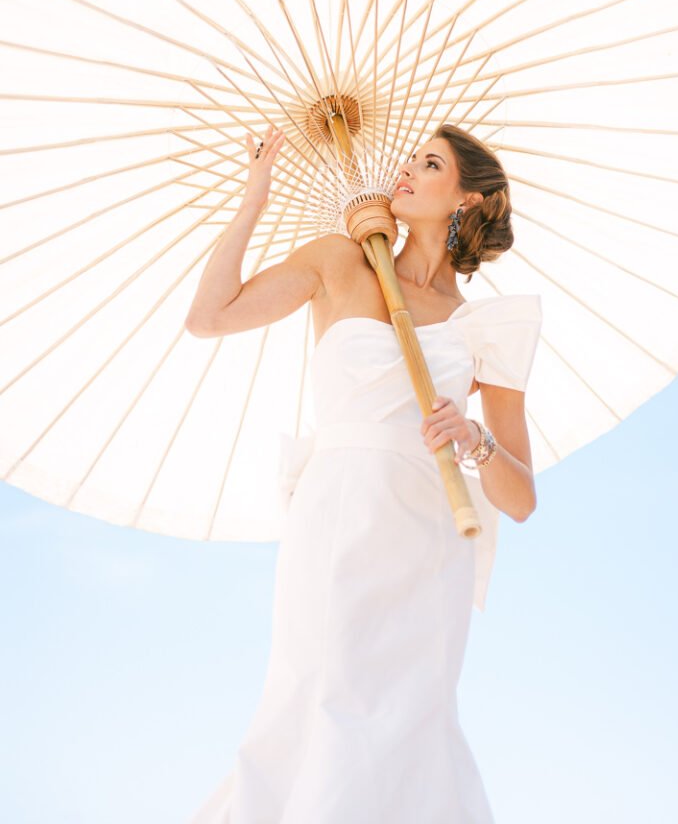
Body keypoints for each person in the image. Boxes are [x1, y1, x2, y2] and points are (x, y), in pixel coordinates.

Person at [183, 123, 543, 823]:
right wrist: (253, 198)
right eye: (410, 159)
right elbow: (207, 317)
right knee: (319, 695)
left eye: (428, 164)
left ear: (465, 198)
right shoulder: (337, 262)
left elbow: (521, 498)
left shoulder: (485, 328)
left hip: (428, 542)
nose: (406, 171)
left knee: (408, 721)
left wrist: (472, 438)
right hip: (337, 515)